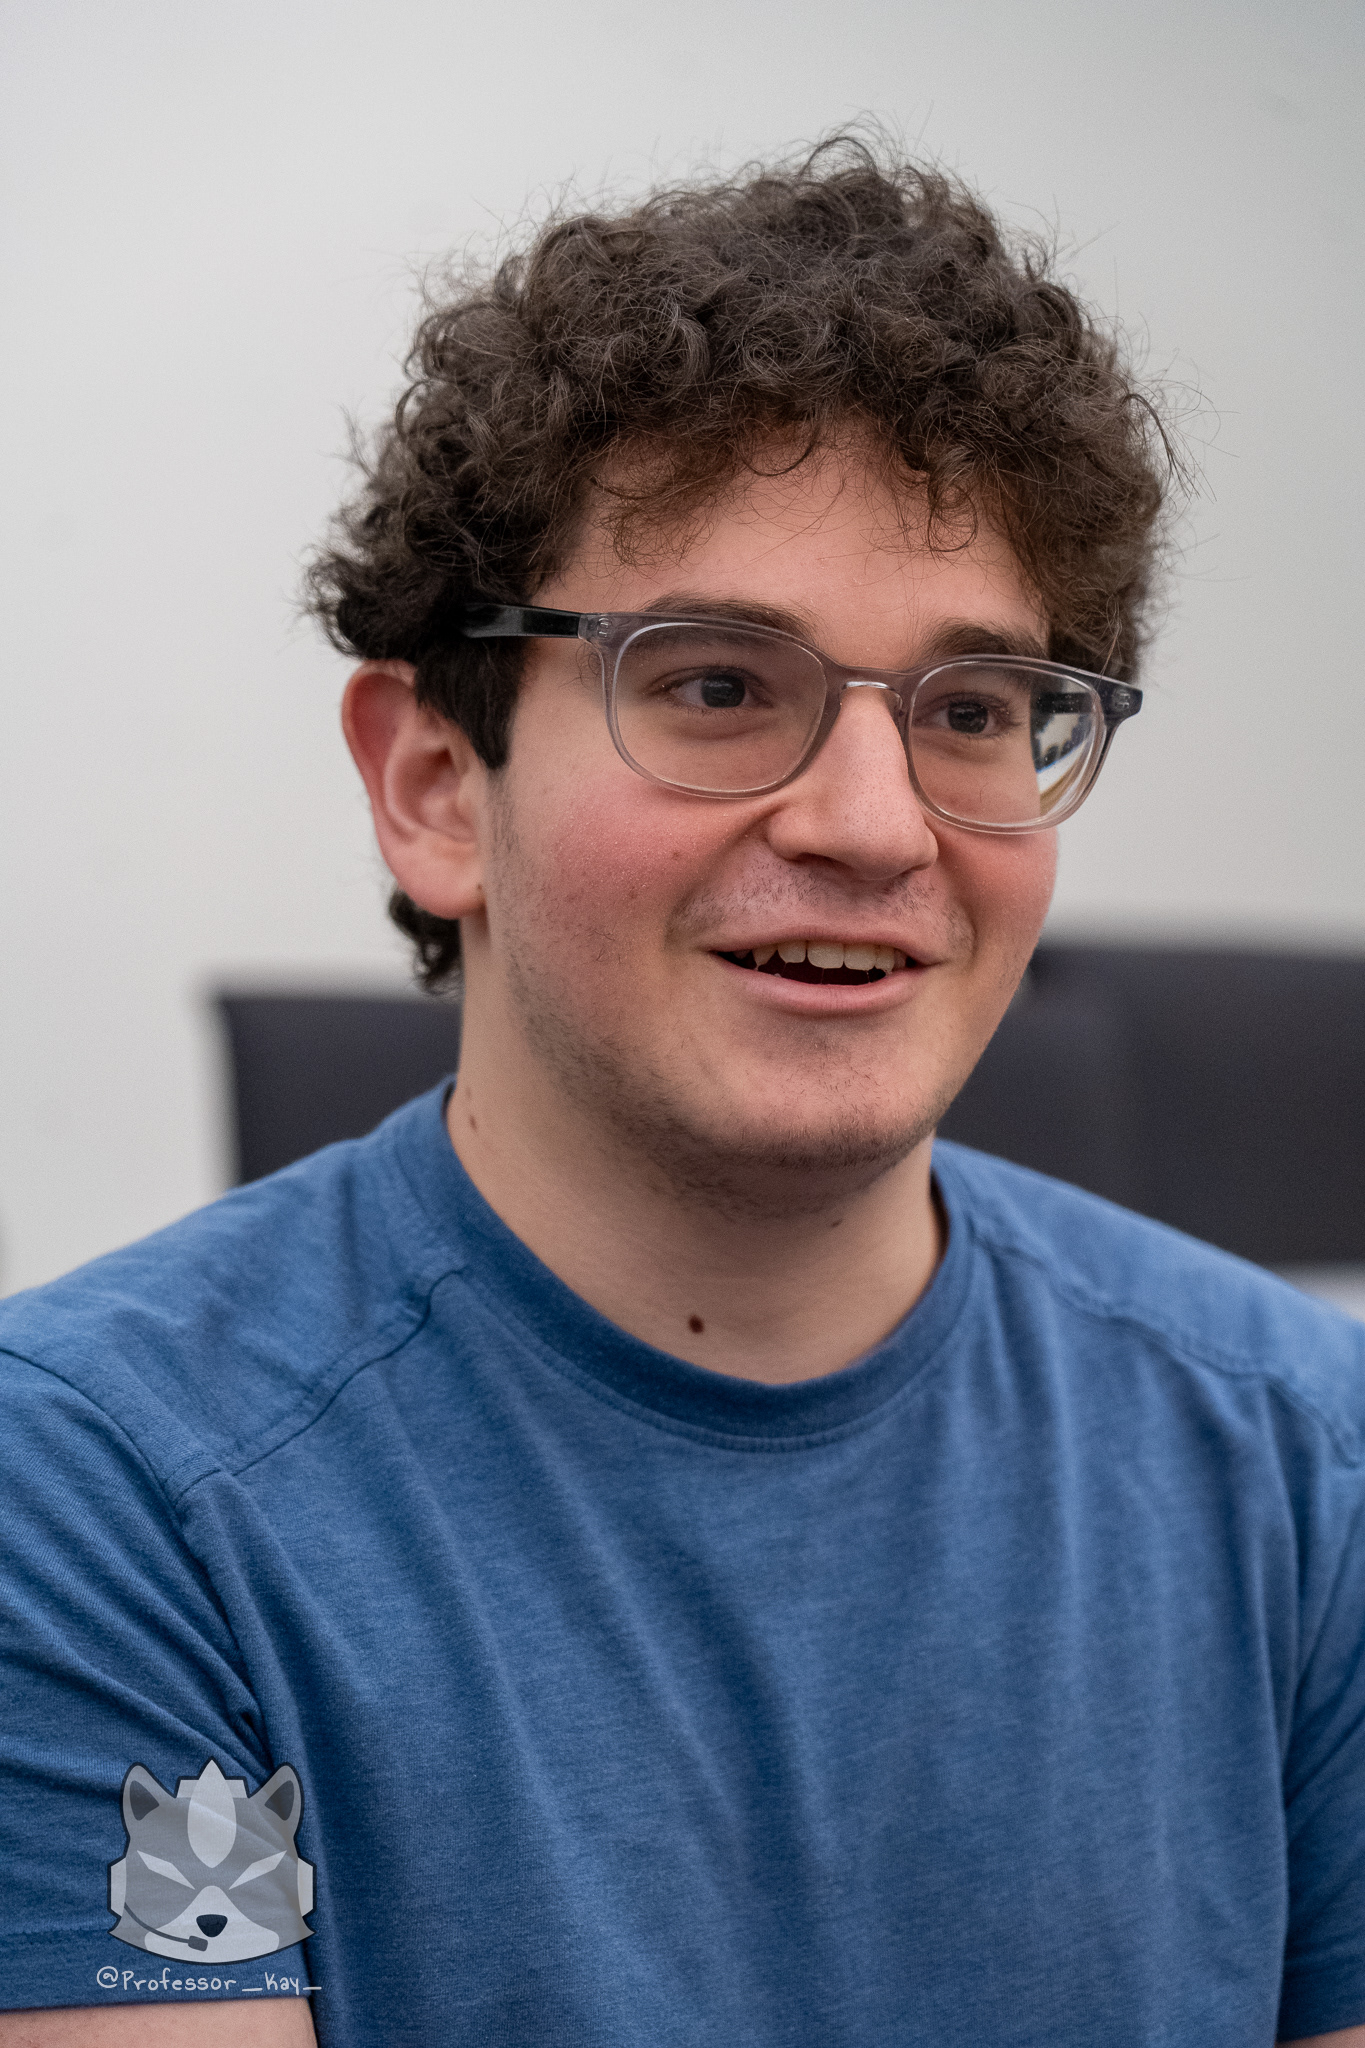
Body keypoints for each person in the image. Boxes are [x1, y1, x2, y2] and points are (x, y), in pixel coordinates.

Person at [2, 138, 1363, 2048]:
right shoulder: (91, 1497)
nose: (874, 826)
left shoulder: (1311, 1463)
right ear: (435, 787)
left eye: (975, 710)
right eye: (716, 685)